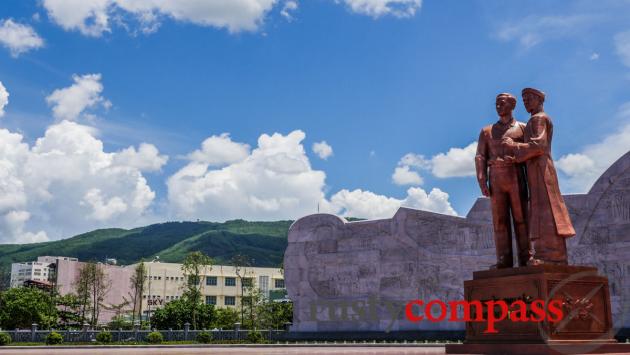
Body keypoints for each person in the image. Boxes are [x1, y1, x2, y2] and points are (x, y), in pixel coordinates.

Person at [502, 87, 575, 265]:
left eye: (529, 98)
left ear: (539, 100)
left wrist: (513, 145)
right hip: (535, 169)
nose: (526, 102)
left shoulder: (538, 119)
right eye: (524, 99)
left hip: (542, 170)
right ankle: (545, 252)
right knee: (539, 209)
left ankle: (552, 255)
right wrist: (517, 157)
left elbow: (538, 146)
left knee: (546, 209)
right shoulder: (534, 119)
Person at [475, 93, 531, 268]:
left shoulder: (522, 128)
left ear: (512, 105)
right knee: (500, 221)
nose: (498, 106)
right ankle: (503, 260)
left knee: (521, 218)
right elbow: (480, 156)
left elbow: (531, 153)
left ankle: (526, 257)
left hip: (516, 173)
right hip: (496, 176)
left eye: (502, 103)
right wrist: (482, 180)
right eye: (497, 104)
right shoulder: (487, 131)